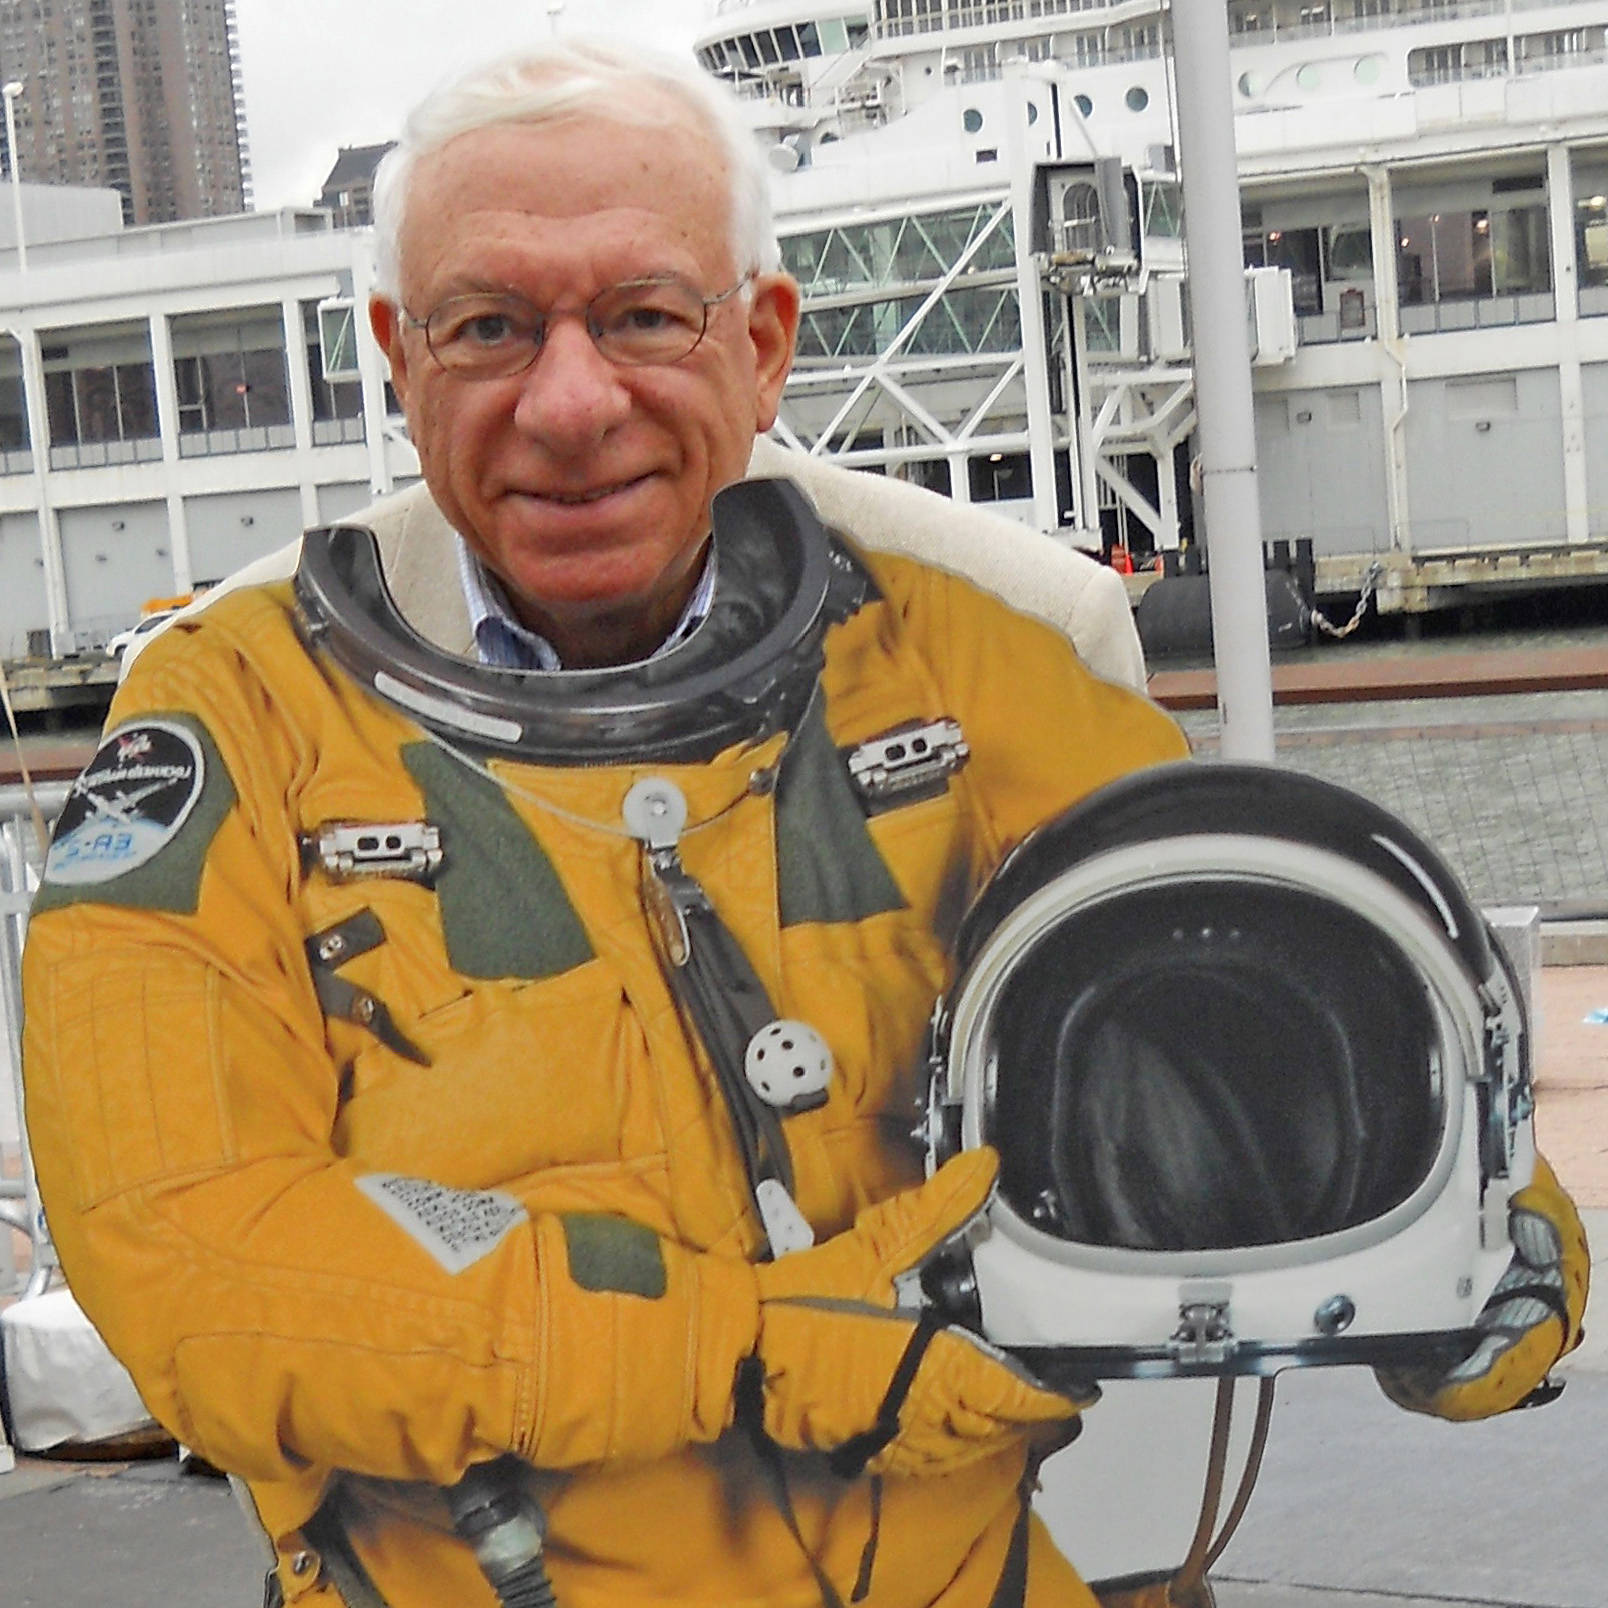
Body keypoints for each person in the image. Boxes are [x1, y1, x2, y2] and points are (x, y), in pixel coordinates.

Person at [19, 37, 1583, 1608]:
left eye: (643, 315)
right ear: (395, 358)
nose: (572, 403)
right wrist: (764, 1351)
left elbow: (1274, 971)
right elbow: (196, 1267)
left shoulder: (962, 657)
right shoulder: (235, 725)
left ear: (762, 346)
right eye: (489, 327)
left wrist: (1476, 1252)